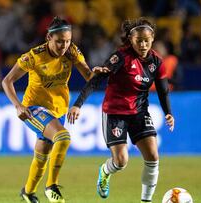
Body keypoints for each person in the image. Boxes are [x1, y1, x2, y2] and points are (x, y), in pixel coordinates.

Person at [67, 18, 175, 203]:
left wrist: (168, 112)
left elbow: (163, 89)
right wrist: (78, 104)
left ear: (153, 39)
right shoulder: (121, 57)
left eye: (146, 40)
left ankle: (146, 201)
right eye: (138, 40)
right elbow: (96, 79)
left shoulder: (157, 61)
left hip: (139, 111)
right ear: (131, 40)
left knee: (153, 156)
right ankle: (105, 171)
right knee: (121, 161)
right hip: (115, 112)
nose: (142, 44)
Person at [2, 17, 102, 203]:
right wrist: (18, 106)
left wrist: (99, 73)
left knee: (43, 154)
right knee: (63, 137)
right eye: (59, 41)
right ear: (49, 37)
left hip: (58, 110)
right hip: (33, 109)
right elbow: (7, 81)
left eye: (67, 41)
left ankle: (28, 192)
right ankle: (51, 186)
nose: (63, 46)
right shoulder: (34, 56)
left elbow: (89, 76)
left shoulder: (72, 51)